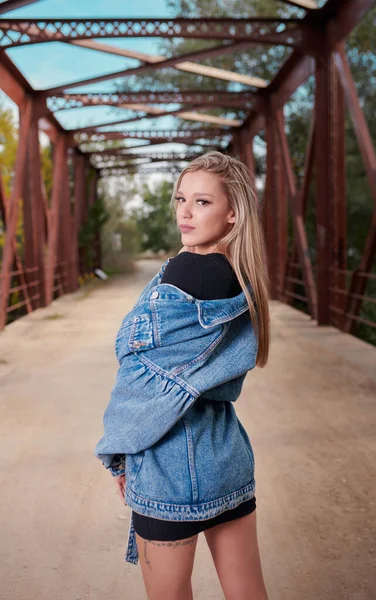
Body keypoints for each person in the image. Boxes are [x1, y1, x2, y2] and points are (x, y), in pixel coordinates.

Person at [94, 151, 271, 600]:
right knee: (248, 592)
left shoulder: (185, 270)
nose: (185, 212)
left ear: (233, 214)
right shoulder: (238, 275)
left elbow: (134, 370)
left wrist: (122, 453)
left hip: (168, 466)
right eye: (180, 199)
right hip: (226, 453)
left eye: (203, 202)